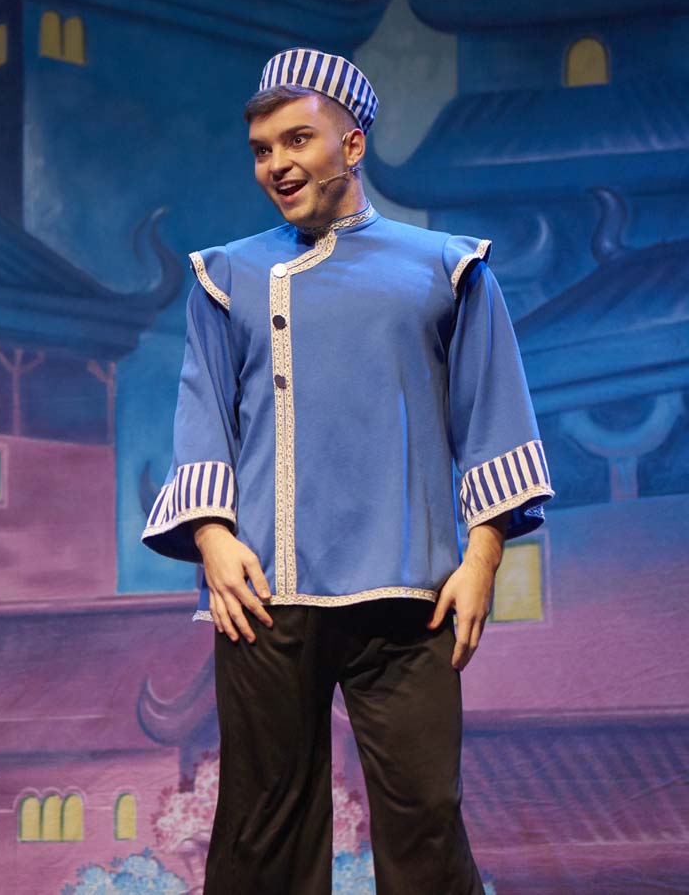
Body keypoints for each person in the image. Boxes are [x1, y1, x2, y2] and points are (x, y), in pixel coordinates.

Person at [141, 49, 553, 894]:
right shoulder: (228, 274)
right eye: (262, 149)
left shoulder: (445, 267)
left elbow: (491, 414)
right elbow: (203, 409)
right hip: (266, 586)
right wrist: (213, 538)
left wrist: (481, 558)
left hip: (409, 585)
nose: (276, 164)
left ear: (353, 145)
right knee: (263, 825)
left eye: (297, 140)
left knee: (426, 817)